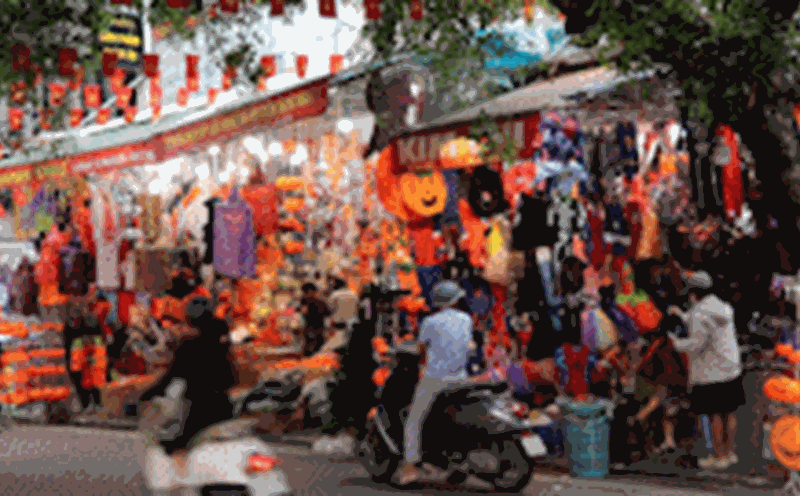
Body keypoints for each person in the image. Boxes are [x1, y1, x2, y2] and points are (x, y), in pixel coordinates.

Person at [139, 297, 236, 468]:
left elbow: (171, 375)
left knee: (175, 443)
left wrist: (146, 394)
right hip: (224, 401)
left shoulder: (189, 344)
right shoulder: (220, 332)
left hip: (199, 404)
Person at [394, 281, 473, 486]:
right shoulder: (466, 319)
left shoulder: (430, 322)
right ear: (455, 300)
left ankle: (410, 466)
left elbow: (420, 349)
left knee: (413, 419)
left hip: (436, 378)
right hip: (461, 378)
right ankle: (458, 462)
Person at [667, 270, 745, 471]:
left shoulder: (698, 313)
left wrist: (676, 343)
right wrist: (684, 316)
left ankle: (718, 456)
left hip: (711, 370)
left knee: (714, 414)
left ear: (694, 292)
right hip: (730, 367)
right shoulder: (722, 307)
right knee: (729, 412)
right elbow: (706, 326)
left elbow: (697, 343)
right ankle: (730, 452)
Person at [63, 297, 103, 414]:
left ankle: (90, 404)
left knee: (84, 380)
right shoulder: (90, 320)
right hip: (82, 355)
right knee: (87, 380)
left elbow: (70, 337)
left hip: (80, 355)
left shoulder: (78, 321)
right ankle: (92, 404)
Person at [299, 283, 332, 356]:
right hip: (318, 328)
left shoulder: (304, 301)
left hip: (310, 328)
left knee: (310, 348)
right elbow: (328, 313)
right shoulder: (319, 302)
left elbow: (303, 313)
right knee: (317, 349)